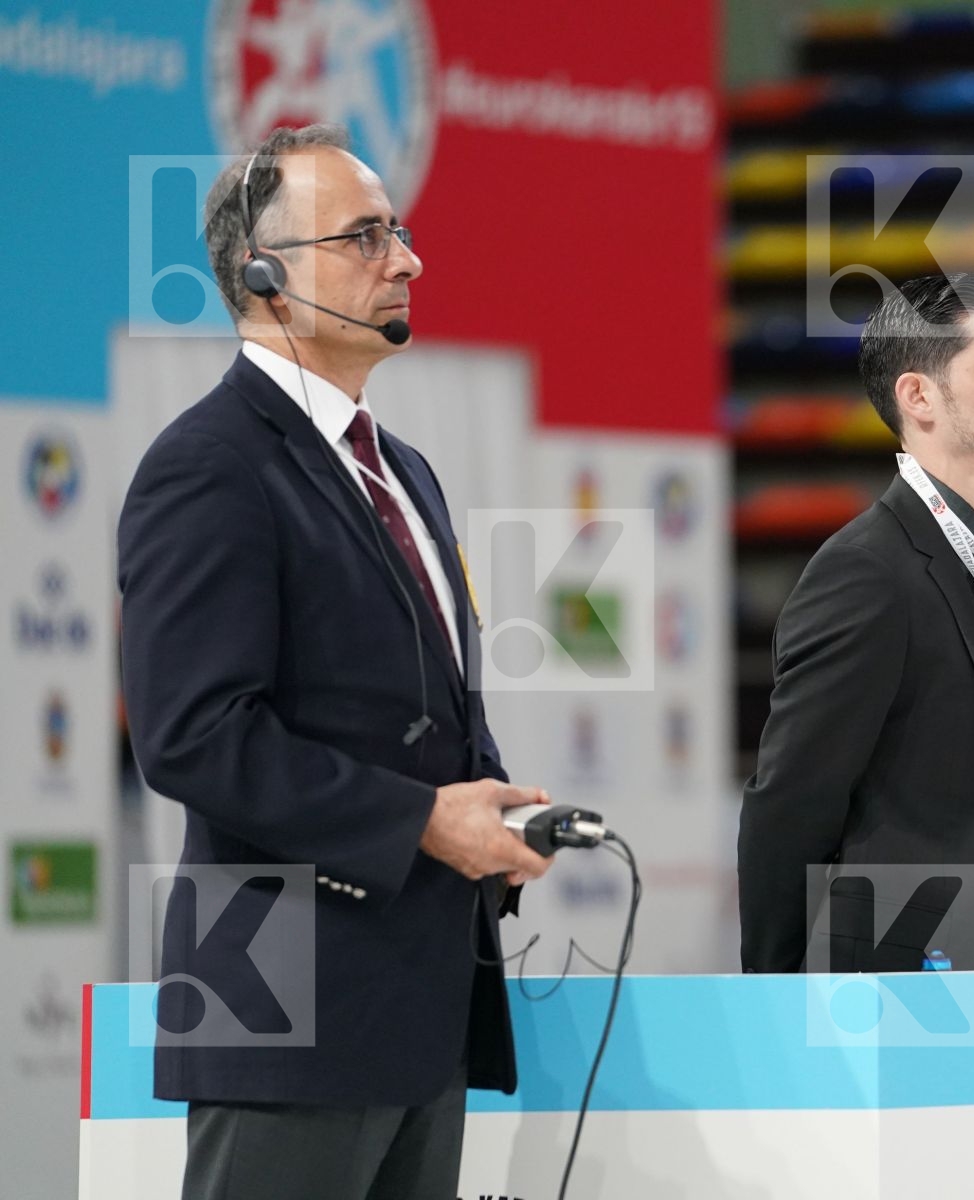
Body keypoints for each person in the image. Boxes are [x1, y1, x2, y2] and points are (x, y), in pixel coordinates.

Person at [118, 123, 552, 1200]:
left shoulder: (403, 468)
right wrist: (420, 821)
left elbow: (423, 703)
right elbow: (194, 737)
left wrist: (487, 813)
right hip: (281, 1008)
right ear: (265, 279)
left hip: (421, 1006)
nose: (407, 259)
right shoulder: (206, 467)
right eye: (366, 237)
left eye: (398, 231)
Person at [738, 272, 974, 974]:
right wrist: (768, 1002)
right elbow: (790, 804)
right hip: (901, 970)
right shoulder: (865, 572)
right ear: (918, 395)